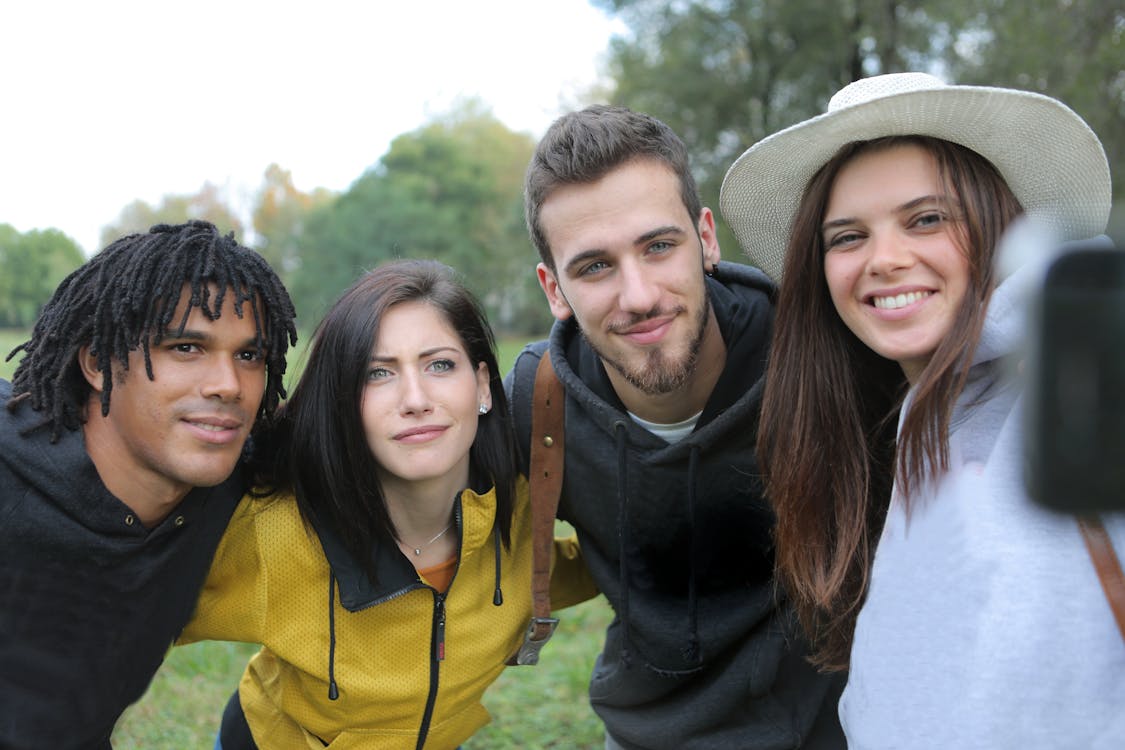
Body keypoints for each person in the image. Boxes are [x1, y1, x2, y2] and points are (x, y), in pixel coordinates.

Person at [720, 72, 1123, 748]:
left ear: (998, 225)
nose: (884, 259)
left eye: (926, 219)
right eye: (846, 237)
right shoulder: (903, 427)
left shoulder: (1080, 381)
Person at [506, 105, 844, 750]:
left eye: (659, 246)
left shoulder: (821, 357)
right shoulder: (534, 402)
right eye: (595, 267)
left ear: (706, 238)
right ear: (554, 288)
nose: (638, 295)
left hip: (838, 720)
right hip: (650, 729)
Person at [180, 258, 595, 749]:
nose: (415, 399)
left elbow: (592, 564)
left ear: (482, 384)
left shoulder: (523, 510)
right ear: (343, 402)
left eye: (439, 364)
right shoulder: (273, 533)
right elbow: (120, 613)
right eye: (378, 373)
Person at [0, 220, 296, 749]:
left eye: (249, 355)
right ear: (97, 362)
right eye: (186, 347)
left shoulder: (233, 480)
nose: (228, 386)